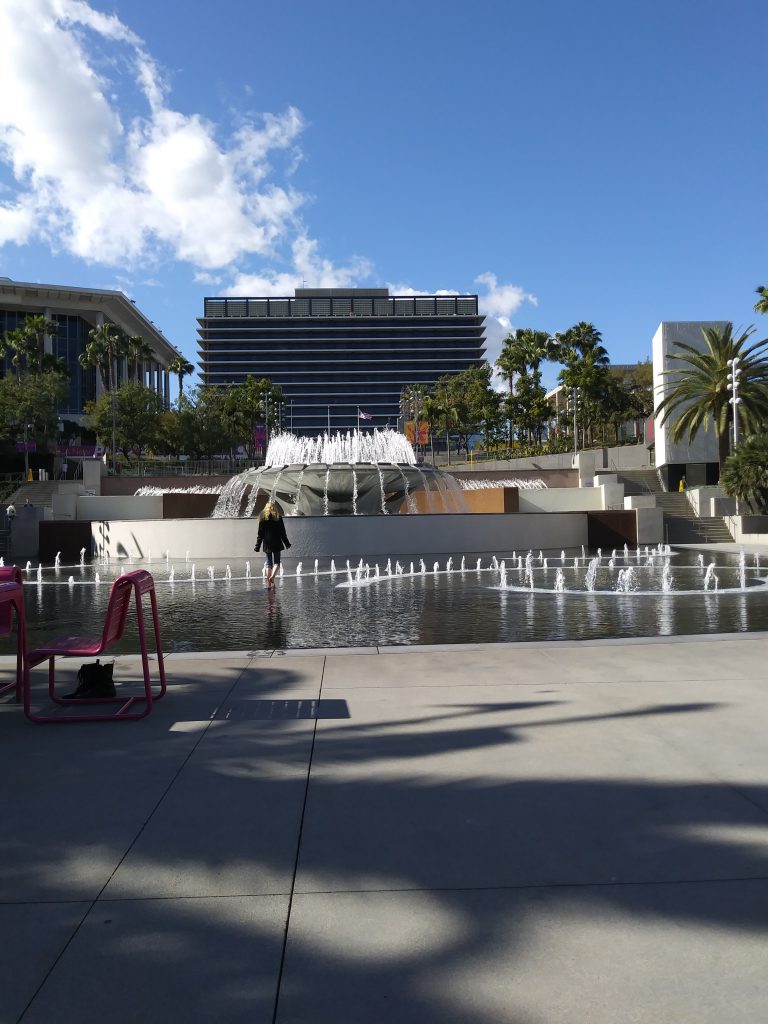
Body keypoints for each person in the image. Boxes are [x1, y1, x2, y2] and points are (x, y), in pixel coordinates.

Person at [254, 501, 291, 589]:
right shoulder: (278, 518)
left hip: (267, 543)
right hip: (277, 542)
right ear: (274, 509)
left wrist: (257, 546)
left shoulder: (262, 519)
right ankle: (272, 577)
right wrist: (287, 543)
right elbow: (283, 533)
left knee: (268, 563)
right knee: (277, 562)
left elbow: (260, 534)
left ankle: (269, 582)